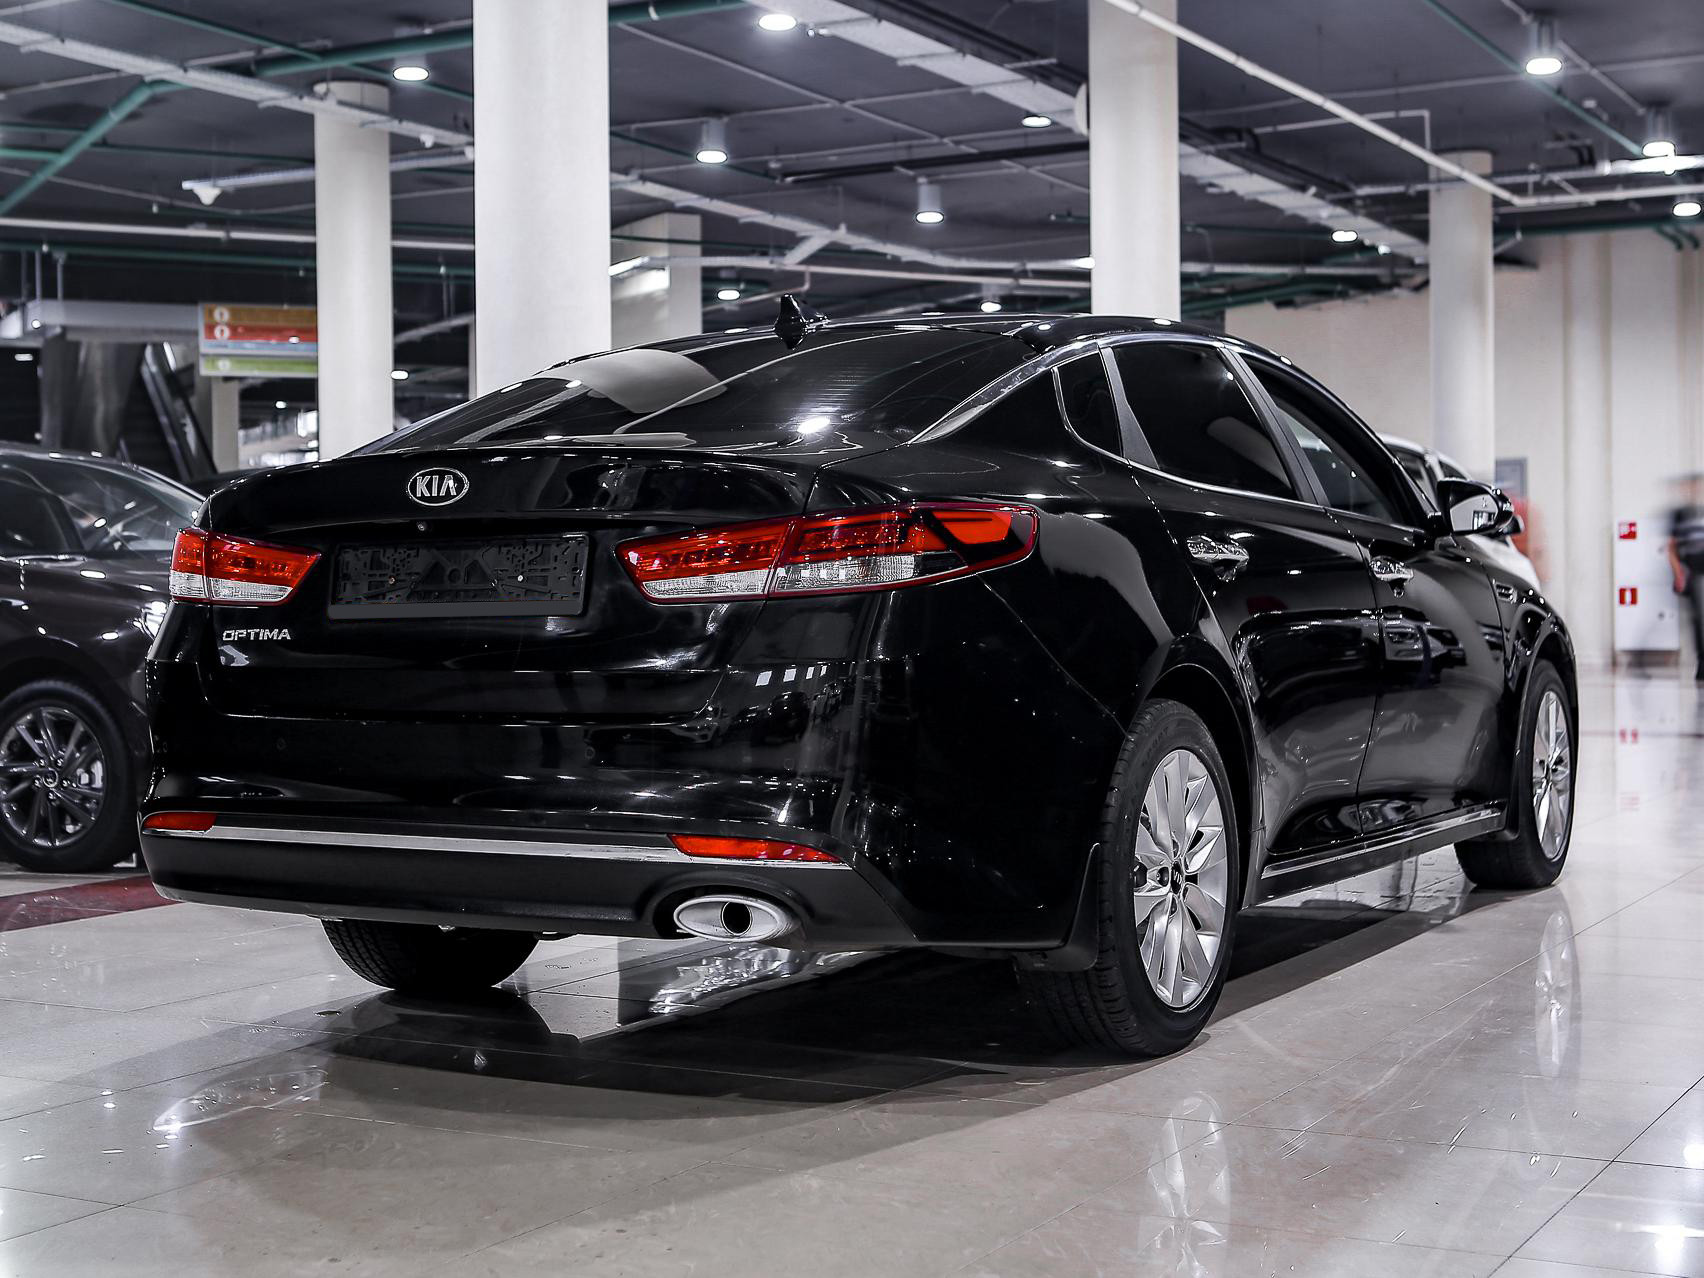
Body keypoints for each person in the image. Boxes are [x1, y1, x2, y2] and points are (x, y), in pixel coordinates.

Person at [1668, 474, 1704, 682]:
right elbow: (1671, 548)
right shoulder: (1680, 514)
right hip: (1693, 572)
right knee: (1698, 619)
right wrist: (1679, 574)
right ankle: (1702, 662)